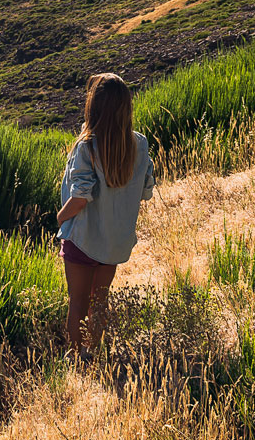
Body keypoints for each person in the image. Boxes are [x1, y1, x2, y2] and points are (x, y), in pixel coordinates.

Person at [55, 72, 155, 358]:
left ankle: (76, 359)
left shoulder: (87, 146)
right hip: (113, 242)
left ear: (93, 106)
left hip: (83, 237)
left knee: (77, 303)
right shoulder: (139, 144)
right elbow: (146, 190)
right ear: (126, 108)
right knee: (99, 302)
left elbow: (80, 197)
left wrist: (61, 218)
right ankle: (92, 353)